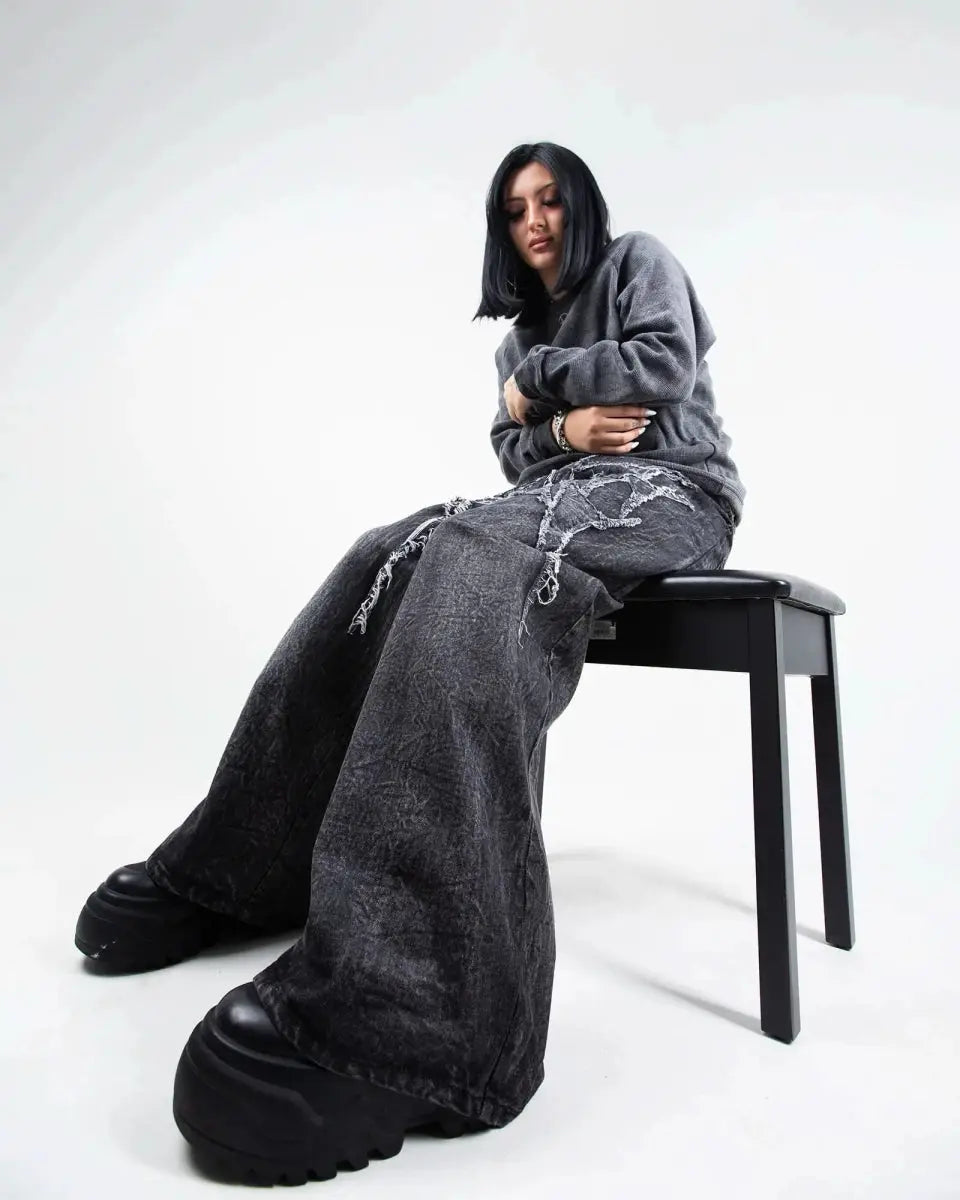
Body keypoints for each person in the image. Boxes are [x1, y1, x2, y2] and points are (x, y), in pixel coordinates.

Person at [75, 141, 745, 1184]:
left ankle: (425, 1007)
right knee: (390, 551)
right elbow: (516, 455)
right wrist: (560, 422)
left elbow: (661, 364)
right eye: (515, 208)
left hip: (674, 491)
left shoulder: (635, 264)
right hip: (564, 494)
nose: (535, 222)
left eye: (551, 201)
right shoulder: (519, 333)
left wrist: (541, 393)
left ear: (583, 206)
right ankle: (248, 866)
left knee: (478, 553)